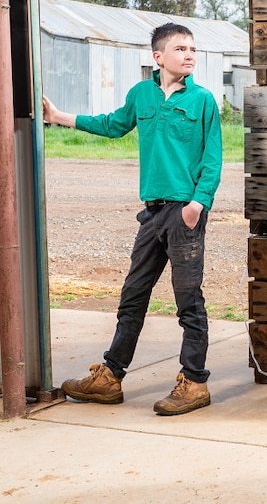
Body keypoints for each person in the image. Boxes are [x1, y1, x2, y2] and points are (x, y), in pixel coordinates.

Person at [42, 22, 223, 416]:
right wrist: (59, 116)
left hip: (184, 213)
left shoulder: (203, 100)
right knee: (132, 297)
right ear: (158, 57)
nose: (189, 54)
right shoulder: (142, 94)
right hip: (153, 213)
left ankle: (194, 382)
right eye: (180, 49)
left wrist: (197, 205)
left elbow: (212, 160)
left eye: (192, 49)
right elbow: (112, 124)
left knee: (188, 301)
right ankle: (110, 378)